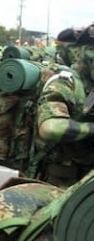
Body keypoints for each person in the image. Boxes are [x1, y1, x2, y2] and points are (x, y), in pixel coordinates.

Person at [33, 24, 94, 187]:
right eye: (92, 50)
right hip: (60, 184)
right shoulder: (65, 82)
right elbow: (51, 128)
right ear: (78, 52)